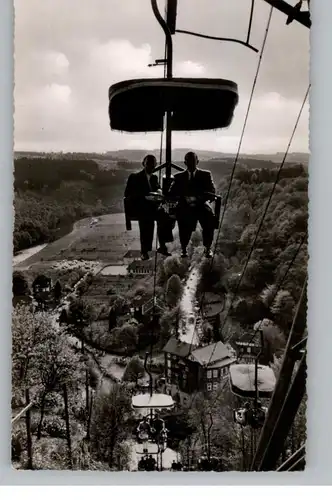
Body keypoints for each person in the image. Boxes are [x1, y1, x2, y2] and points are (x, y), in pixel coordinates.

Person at [124, 155, 173, 260]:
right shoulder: (134, 177)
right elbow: (128, 194)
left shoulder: (154, 177)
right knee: (146, 220)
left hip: (152, 206)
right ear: (143, 164)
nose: (151, 166)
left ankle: (163, 245)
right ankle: (144, 251)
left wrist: (159, 192)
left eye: (153, 164)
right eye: (149, 164)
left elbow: (158, 188)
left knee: (165, 215)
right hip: (140, 206)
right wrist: (145, 196)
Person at [168, 151, 216, 258]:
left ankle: (207, 248)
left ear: (197, 161)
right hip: (185, 206)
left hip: (200, 205)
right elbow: (172, 193)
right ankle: (184, 247)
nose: (191, 164)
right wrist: (184, 198)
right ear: (185, 163)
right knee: (183, 218)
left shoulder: (205, 175)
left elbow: (212, 191)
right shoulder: (178, 177)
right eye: (188, 162)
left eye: (193, 161)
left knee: (209, 217)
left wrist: (197, 199)